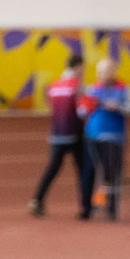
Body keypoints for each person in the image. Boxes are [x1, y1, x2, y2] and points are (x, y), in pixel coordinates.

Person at [32, 47, 92, 220]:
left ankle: (37, 200)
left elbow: (49, 103)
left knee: (52, 169)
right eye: (83, 68)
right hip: (74, 133)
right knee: (83, 170)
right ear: (79, 67)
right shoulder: (78, 87)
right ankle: (85, 207)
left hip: (57, 133)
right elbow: (82, 110)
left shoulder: (54, 85)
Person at [83, 56, 130, 221]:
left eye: (108, 71)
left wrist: (118, 107)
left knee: (113, 172)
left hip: (115, 136)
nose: (104, 74)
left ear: (114, 72)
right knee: (93, 171)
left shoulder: (124, 88)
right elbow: (82, 112)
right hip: (94, 135)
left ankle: (111, 208)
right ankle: (90, 206)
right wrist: (88, 106)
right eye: (101, 71)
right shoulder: (92, 89)